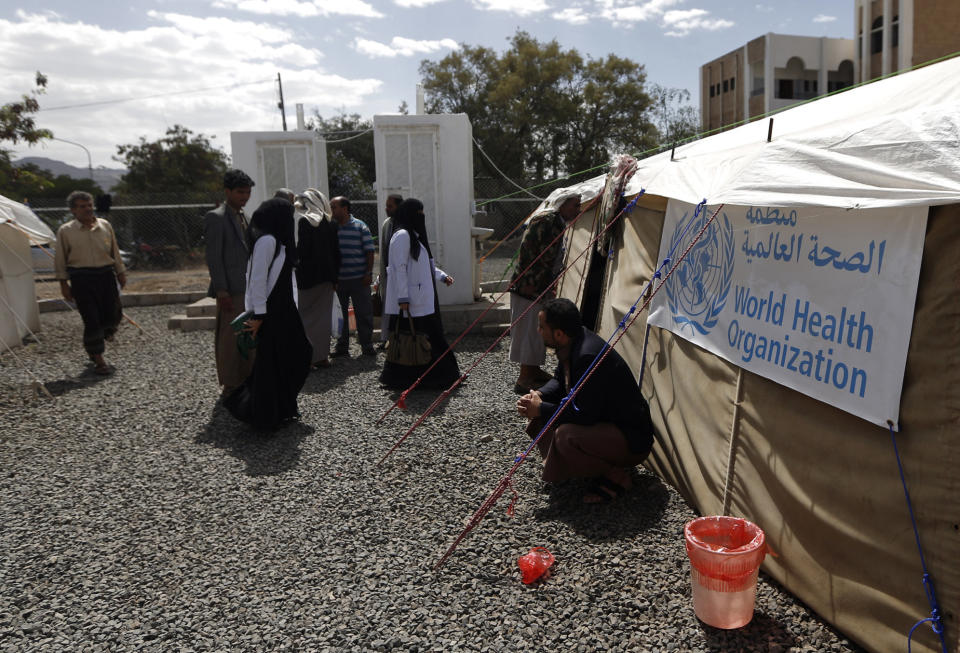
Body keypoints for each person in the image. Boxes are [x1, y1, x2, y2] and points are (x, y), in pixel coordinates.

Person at [516, 298, 653, 504]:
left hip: (632, 439)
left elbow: (585, 415)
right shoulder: (573, 342)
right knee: (539, 413)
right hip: (606, 426)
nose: (538, 331)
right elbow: (559, 381)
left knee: (565, 435)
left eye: (541, 327)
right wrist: (540, 396)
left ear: (559, 334)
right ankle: (573, 468)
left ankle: (615, 475)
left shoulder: (587, 355)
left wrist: (541, 409)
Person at [223, 198, 312, 429]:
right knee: (274, 363)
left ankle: (280, 408)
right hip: (270, 313)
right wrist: (259, 317)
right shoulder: (267, 241)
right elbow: (257, 280)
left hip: (283, 310)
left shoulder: (275, 240)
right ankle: (264, 413)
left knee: (293, 356)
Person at [380, 198, 460, 390]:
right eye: (419, 212)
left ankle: (434, 377)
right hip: (410, 302)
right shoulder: (402, 236)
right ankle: (429, 378)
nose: (422, 216)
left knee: (423, 338)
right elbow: (399, 269)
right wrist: (403, 298)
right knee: (412, 339)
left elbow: (424, 266)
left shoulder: (413, 236)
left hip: (420, 301)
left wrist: (441, 276)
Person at [510, 191, 581, 394]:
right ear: (562, 205)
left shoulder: (556, 222)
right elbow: (535, 256)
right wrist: (539, 284)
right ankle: (525, 379)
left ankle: (533, 370)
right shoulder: (547, 221)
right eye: (575, 205)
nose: (578, 210)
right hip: (529, 288)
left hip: (539, 287)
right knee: (530, 331)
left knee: (538, 329)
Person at [54, 190, 126, 374]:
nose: (87, 209)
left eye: (89, 205)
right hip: (81, 278)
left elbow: (114, 250)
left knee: (113, 315)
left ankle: (99, 339)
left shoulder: (105, 225)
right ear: (73, 210)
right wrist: (63, 283)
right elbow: (61, 258)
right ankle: (98, 358)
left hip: (105, 276)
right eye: (82, 206)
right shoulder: (66, 231)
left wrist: (120, 271)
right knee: (91, 318)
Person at [204, 169, 255, 397]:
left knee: (246, 335)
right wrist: (222, 290)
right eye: (240, 192)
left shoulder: (243, 216)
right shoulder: (216, 217)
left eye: (247, 192)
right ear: (227, 192)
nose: (244, 196)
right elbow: (214, 257)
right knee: (229, 338)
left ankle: (245, 377)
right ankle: (230, 383)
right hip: (230, 290)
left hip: (248, 289)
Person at [295, 188, 340, 369]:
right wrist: (335, 277)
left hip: (307, 279)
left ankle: (307, 358)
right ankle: (321, 357)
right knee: (323, 318)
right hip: (327, 279)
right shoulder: (330, 223)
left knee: (305, 317)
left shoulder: (305, 222)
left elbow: (303, 252)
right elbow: (336, 253)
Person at [330, 196, 376, 357]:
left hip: (359, 279)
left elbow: (370, 252)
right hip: (339, 281)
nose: (331, 210)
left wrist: (368, 273)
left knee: (363, 312)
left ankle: (367, 345)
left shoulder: (360, 227)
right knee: (340, 314)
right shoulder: (332, 228)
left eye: (334, 207)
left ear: (345, 208)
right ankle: (342, 347)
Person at [376, 193, 403, 349]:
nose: (387, 209)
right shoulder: (387, 224)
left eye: (390, 206)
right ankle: (386, 338)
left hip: (401, 274)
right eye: (386, 206)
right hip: (389, 275)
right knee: (388, 308)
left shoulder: (406, 224)